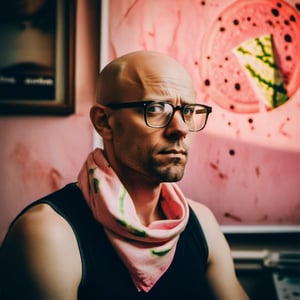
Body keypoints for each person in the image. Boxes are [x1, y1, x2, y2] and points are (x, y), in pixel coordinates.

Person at [0, 50, 249, 299]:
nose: (180, 128)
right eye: (156, 108)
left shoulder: (200, 223)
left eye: (188, 111)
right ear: (104, 122)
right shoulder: (48, 233)